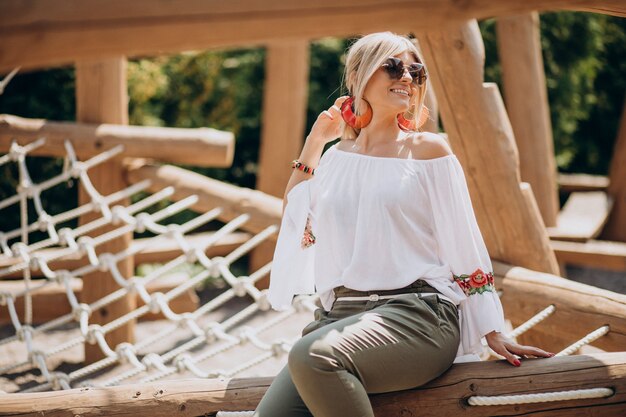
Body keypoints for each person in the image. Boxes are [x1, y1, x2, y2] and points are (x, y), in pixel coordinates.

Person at [255, 31, 554, 417]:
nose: (408, 78)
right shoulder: (335, 157)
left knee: (313, 356)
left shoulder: (429, 151)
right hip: (340, 319)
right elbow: (298, 222)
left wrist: (492, 328)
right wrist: (315, 141)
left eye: (416, 70)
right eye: (393, 66)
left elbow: (463, 241)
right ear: (359, 75)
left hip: (418, 315)